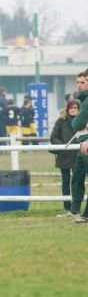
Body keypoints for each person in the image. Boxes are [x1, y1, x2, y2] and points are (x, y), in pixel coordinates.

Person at [50, 99, 80, 217]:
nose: (73, 109)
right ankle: (67, 205)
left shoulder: (82, 121)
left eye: (76, 107)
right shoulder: (60, 121)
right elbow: (53, 137)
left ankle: (76, 205)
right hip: (64, 156)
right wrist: (64, 146)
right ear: (67, 109)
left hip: (79, 155)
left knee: (77, 181)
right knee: (66, 181)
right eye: (71, 107)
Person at [68, 71, 88, 223]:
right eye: (78, 82)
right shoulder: (83, 101)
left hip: (86, 143)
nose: (79, 85)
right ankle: (75, 210)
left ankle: (85, 215)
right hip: (82, 144)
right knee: (76, 178)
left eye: (83, 82)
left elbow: (76, 123)